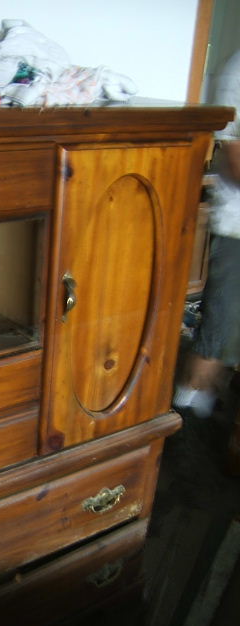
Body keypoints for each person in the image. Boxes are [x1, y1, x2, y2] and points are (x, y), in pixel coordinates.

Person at [174, 50, 240, 417]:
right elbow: (236, 160)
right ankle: (187, 412)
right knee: (220, 331)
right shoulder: (237, 69)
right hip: (236, 228)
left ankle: (211, 406)